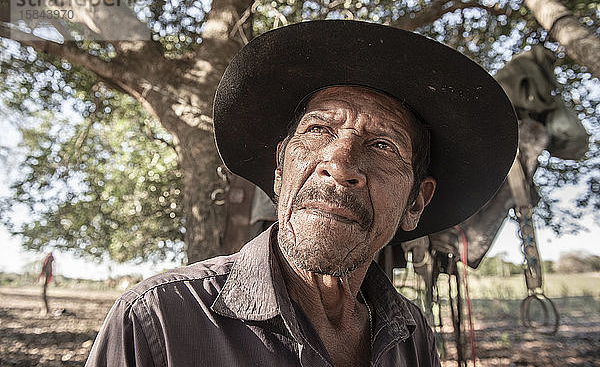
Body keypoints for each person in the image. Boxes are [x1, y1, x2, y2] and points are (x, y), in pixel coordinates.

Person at [86, 20, 517, 366]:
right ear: (280, 167)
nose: (340, 164)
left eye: (383, 145)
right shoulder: (158, 321)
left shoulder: (412, 335)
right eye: (317, 131)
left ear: (416, 202)